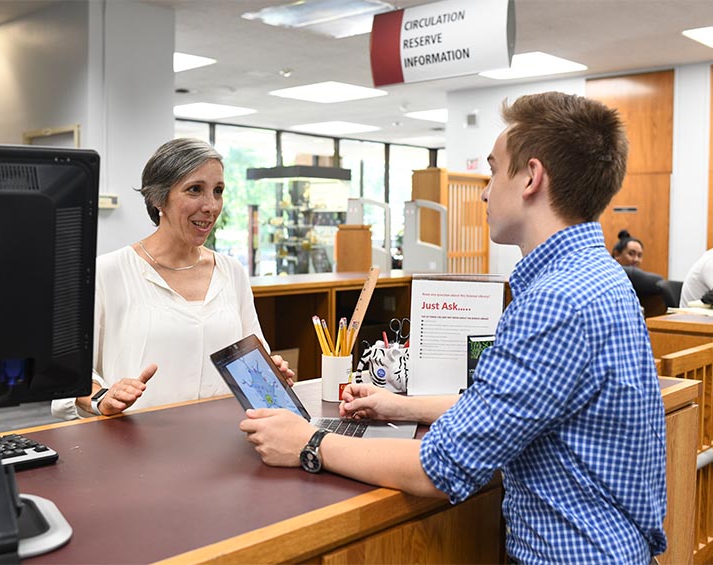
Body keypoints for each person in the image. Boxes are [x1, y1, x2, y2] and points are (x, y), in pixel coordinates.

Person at [239, 92, 667, 563]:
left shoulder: (554, 301)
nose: (484, 191)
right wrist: (399, 406)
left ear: (530, 177)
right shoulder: (598, 276)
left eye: (493, 170)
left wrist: (309, 442)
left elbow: (440, 468)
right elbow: (506, 404)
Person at [52, 138, 293, 420]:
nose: (211, 206)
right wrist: (103, 398)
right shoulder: (107, 273)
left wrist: (269, 376)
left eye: (218, 191)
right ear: (157, 198)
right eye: (195, 190)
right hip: (137, 447)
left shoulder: (232, 272)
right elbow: (69, 377)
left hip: (225, 441)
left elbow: (252, 361)